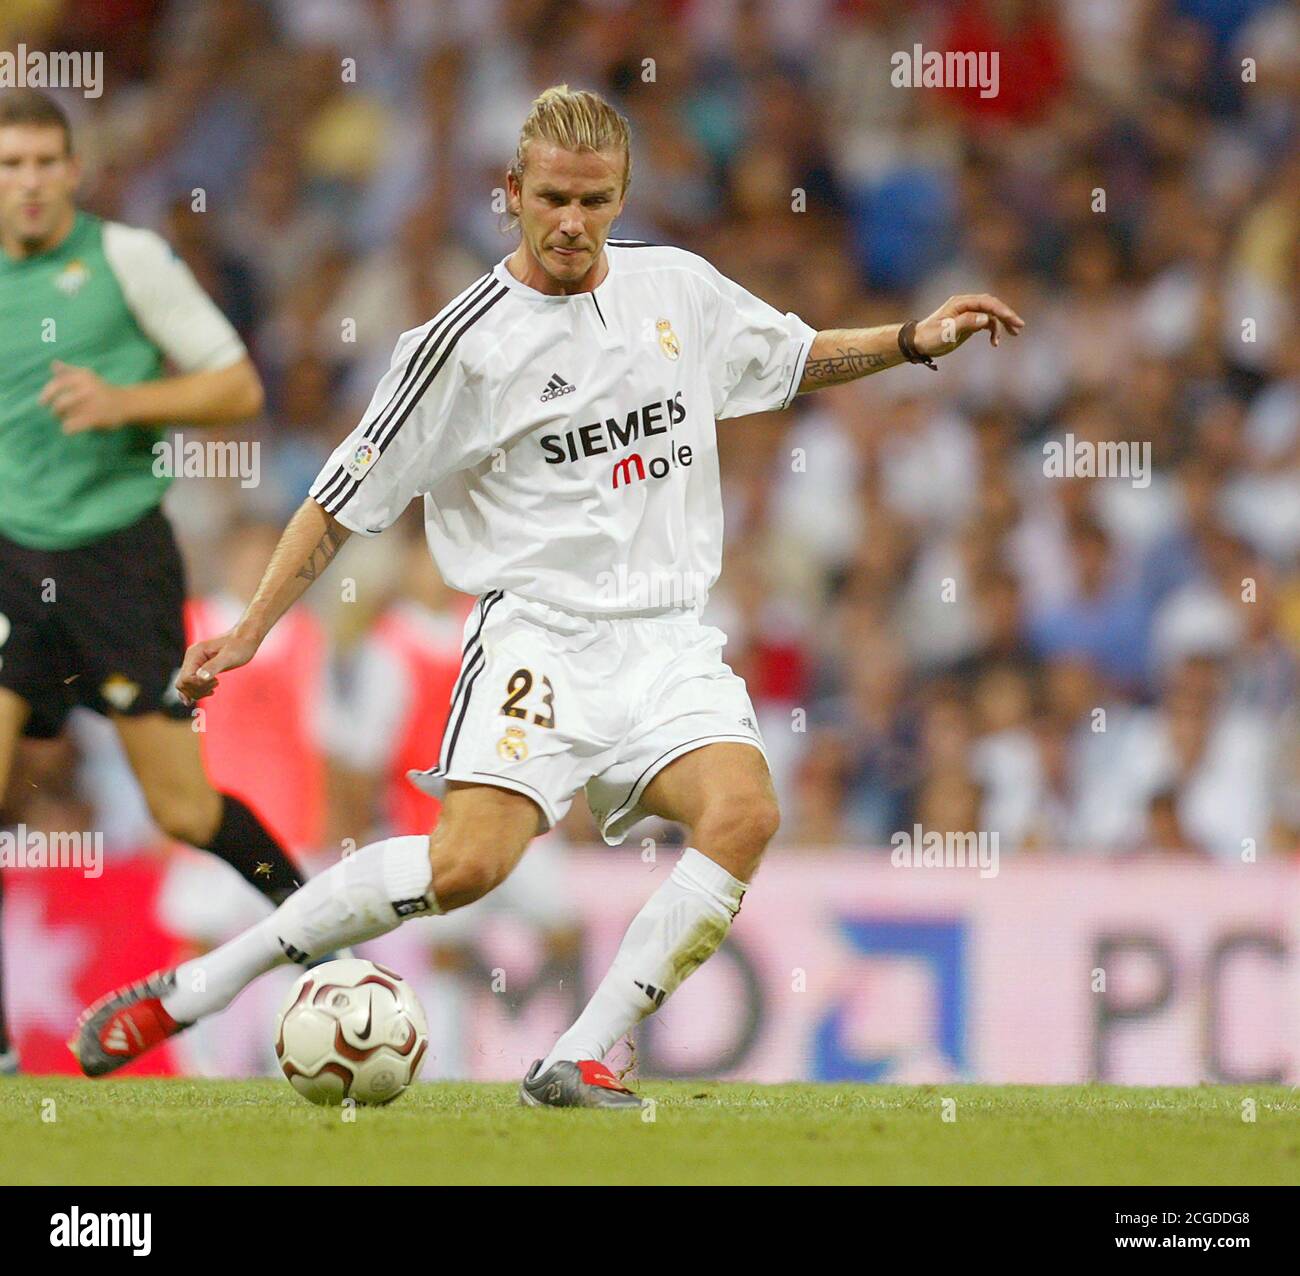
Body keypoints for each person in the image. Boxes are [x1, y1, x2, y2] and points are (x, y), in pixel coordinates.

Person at [71, 85, 1023, 1107]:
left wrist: (912, 340)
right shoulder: (461, 344)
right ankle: (198, 986)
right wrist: (254, 625)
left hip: (666, 638)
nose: (572, 222)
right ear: (513, 192)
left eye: (595, 201)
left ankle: (581, 1052)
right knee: (468, 866)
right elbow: (342, 498)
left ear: (621, 197)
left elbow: (790, 359)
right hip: (540, 640)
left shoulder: (676, 291)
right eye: (554, 199)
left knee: (743, 812)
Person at [0, 91, 305, 1073]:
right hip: (10, 559)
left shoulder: (129, 260)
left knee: (180, 808)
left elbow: (238, 383)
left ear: (75, 171)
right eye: (11, 164)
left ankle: (321, 929)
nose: (31, 181)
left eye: (47, 161)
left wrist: (125, 399)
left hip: (119, 560)